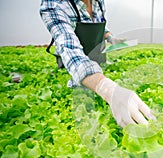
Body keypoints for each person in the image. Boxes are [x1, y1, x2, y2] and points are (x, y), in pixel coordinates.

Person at [40, 0, 155, 128]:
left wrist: (111, 38)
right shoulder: (54, 5)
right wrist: (106, 88)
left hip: (96, 58)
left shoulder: (98, 2)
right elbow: (69, 47)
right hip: (73, 65)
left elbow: (99, 23)